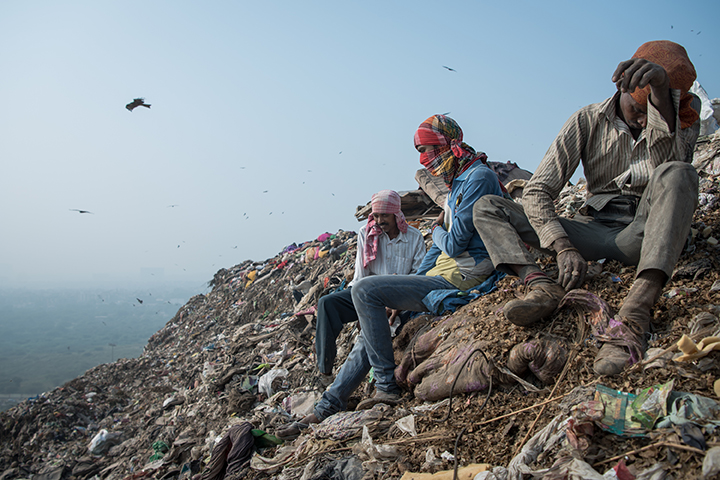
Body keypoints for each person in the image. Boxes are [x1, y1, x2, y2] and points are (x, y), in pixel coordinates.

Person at [472, 40, 701, 376]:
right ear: (622, 87)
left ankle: (635, 314)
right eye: (638, 110)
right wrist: (563, 246)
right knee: (488, 206)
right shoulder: (587, 120)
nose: (642, 121)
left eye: (649, 112)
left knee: (678, 172)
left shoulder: (681, 116)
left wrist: (662, 99)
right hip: (592, 230)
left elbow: (676, 170)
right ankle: (540, 286)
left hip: (644, 231)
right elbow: (537, 190)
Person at [276, 115, 504, 439]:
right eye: (420, 153)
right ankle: (326, 407)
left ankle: (385, 387)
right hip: (437, 275)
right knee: (361, 324)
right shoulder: (458, 182)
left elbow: (453, 244)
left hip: (463, 276)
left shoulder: (477, 178)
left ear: (447, 143)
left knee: (365, 291)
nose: (424, 159)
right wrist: (402, 296)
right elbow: (431, 256)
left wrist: (436, 229)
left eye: (427, 150)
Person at [315, 189, 426, 383]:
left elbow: (418, 277)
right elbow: (360, 276)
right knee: (327, 304)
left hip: (399, 296)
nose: (380, 220)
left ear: (396, 214)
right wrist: (362, 308)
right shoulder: (366, 234)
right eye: (376, 216)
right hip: (365, 293)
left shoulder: (414, 237)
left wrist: (396, 302)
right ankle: (325, 372)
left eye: (385, 215)